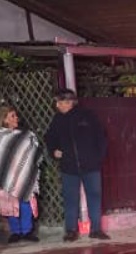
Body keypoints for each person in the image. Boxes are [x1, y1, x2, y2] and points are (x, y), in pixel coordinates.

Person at [44, 88, 109, 242]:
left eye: (59, 102)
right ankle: (71, 230)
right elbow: (49, 138)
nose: (57, 105)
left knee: (94, 196)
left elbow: (101, 136)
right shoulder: (58, 120)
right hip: (69, 167)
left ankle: (96, 229)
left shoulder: (87, 116)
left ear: (68, 102)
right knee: (70, 198)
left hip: (91, 165)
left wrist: (98, 157)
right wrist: (54, 151)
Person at [0, 105, 42, 243]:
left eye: (16, 115)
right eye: (12, 116)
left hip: (23, 176)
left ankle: (27, 231)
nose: (16, 118)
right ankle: (15, 232)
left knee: (25, 202)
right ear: (5, 119)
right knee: (10, 204)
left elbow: (33, 152)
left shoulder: (26, 135)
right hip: (7, 176)